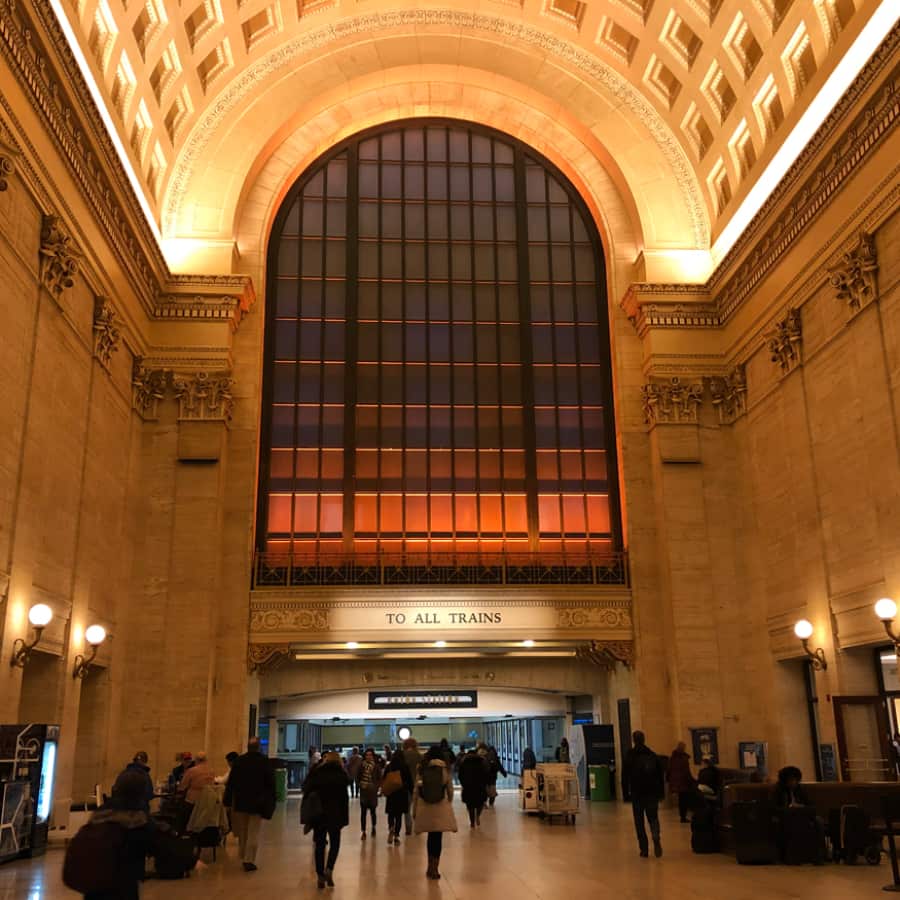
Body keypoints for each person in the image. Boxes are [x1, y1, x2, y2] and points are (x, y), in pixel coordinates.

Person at [70, 769, 155, 900]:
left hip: (96, 884)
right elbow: (154, 845)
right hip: (124, 886)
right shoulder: (139, 819)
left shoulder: (101, 812)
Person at [224, 738, 276, 872]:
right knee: (253, 831)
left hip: (241, 801)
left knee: (243, 831)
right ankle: (249, 859)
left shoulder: (239, 761)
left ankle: (243, 855)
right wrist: (272, 800)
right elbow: (270, 783)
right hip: (258, 802)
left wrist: (228, 800)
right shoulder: (264, 761)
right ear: (259, 747)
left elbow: (231, 782)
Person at [302, 751, 350, 890]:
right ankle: (329, 868)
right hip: (336, 815)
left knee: (320, 844)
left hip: (319, 813)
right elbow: (345, 796)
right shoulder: (341, 775)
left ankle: (320, 874)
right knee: (335, 844)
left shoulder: (317, 773)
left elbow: (306, 788)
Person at [413, 745, 458, 880]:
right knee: (437, 838)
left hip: (425, 805)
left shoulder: (421, 767)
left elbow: (416, 789)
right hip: (440, 805)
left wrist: (414, 808)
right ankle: (435, 868)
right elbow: (450, 789)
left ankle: (429, 866)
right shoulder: (445, 768)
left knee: (430, 838)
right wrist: (449, 800)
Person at [622, 731, 665, 859]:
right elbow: (660, 776)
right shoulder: (652, 755)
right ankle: (656, 835)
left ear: (634, 740)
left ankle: (644, 849)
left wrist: (625, 794)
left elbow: (624, 776)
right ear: (644, 739)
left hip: (637, 793)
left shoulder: (630, 756)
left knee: (639, 822)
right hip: (652, 793)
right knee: (653, 818)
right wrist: (661, 793)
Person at [176, 751, 215, 832]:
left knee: (180, 811)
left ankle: (182, 832)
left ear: (196, 760)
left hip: (192, 802)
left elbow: (182, 787)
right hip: (207, 802)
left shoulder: (192, 771)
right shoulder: (212, 771)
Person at [383, 749, 413, 845]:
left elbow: (384, 778)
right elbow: (409, 781)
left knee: (391, 814)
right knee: (399, 815)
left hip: (391, 793)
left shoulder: (389, 766)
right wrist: (411, 791)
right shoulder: (405, 766)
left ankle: (391, 827)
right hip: (401, 793)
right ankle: (396, 836)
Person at [458, 748, 489, 828]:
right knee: (480, 803)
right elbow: (486, 773)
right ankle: (478, 816)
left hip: (468, 786)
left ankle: (472, 822)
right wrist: (485, 783)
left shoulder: (464, 762)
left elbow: (460, 775)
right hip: (480, 786)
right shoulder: (481, 761)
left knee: (470, 805)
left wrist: (463, 784)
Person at [667, 741, 695, 823]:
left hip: (676, 782)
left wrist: (670, 781)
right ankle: (683, 817)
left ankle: (682, 816)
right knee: (684, 800)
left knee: (681, 800)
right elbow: (686, 772)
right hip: (684, 782)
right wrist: (692, 780)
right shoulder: (683, 758)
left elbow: (669, 770)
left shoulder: (672, 757)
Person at [357, 747, 381, 839]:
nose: (368, 756)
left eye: (370, 755)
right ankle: (363, 831)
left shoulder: (376, 766)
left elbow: (379, 778)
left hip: (372, 792)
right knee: (363, 813)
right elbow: (357, 777)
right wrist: (360, 784)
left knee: (373, 812)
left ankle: (373, 827)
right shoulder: (361, 766)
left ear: (373, 756)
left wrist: (376, 787)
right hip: (363, 792)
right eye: (367, 755)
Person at [401, 737, 422, 835]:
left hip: (405, 784)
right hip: (417, 783)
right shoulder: (419, 756)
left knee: (407, 808)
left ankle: (408, 828)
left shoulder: (402, 755)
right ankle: (418, 827)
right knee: (417, 807)